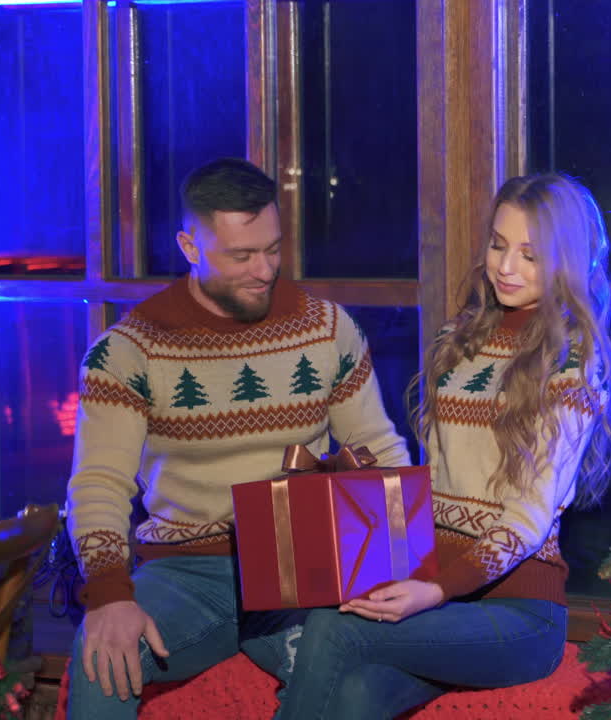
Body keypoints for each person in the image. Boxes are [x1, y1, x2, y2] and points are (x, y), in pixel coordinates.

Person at [256, 173, 611, 719]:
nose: (505, 266)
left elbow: (528, 518)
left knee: (332, 628)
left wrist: (435, 590)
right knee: (353, 695)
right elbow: (440, 479)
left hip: (519, 615)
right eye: (498, 245)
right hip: (440, 592)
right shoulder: (464, 338)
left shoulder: (572, 360)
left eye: (530, 254)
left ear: (568, 260)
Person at [65, 157, 412, 718]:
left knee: (351, 681)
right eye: (241, 255)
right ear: (189, 246)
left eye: (272, 249)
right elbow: (99, 483)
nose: (264, 269)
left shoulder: (328, 328)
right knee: (100, 652)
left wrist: (401, 561)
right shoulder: (128, 350)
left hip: (304, 565)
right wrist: (108, 594)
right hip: (187, 571)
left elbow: (378, 447)